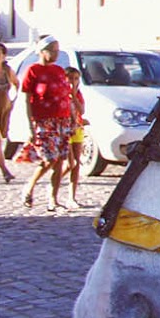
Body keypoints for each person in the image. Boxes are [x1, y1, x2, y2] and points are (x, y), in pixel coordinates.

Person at [16, 38, 73, 212]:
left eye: (57, 50)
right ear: (42, 51)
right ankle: (29, 187)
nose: (56, 53)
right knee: (49, 158)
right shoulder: (33, 70)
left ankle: (53, 198)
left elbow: (67, 95)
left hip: (62, 120)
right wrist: (30, 126)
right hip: (43, 120)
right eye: (52, 50)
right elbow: (27, 99)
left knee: (60, 160)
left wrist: (72, 118)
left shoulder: (59, 70)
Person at [62, 65, 91, 210]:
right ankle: (55, 182)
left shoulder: (78, 94)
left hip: (77, 129)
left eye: (76, 79)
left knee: (76, 163)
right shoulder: (61, 93)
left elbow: (82, 110)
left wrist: (73, 96)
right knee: (70, 163)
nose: (73, 81)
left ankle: (71, 197)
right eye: (70, 78)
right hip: (65, 129)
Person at [0, 42, 17, 182]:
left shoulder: (7, 71)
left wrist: (13, 101)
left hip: (3, 111)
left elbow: (17, 84)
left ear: (4, 56)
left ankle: (5, 171)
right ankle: (5, 171)